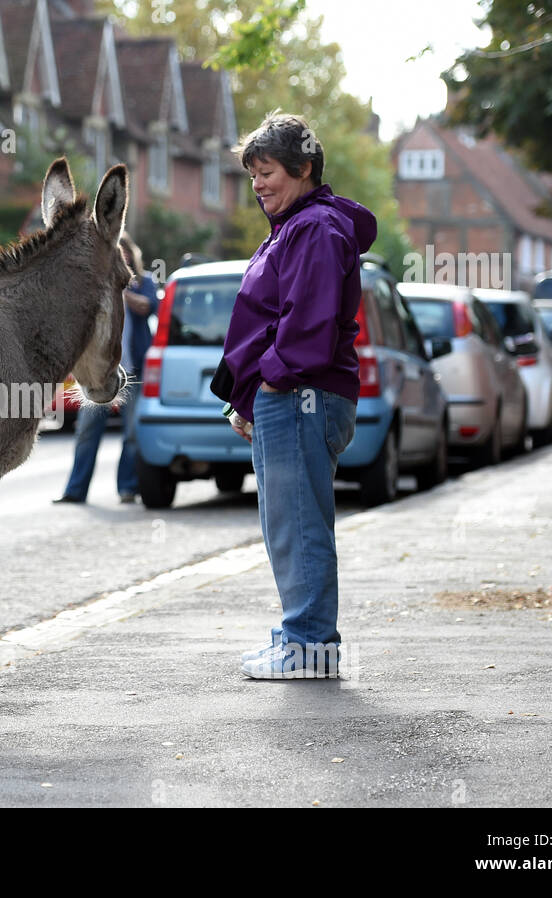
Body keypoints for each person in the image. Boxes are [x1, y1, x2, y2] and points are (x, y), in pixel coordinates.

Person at [220, 111, 376, 679]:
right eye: (253, 174)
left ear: (303, 168)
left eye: (268, 172)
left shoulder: (312, 229)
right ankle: (298, 637)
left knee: (299, 523)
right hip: (293, 395)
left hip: (301, 395)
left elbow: (305, 325)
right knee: (288, 521)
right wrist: (250, 396)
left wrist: (267, 384)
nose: (258, 184)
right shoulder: (301, 226)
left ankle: (309, 646)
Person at [55, 232, 159, 504]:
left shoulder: (144, 281)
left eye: (123, 254)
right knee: (87, 431)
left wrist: (121, 287)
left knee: (132, 434)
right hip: (98, 372)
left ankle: (127, 488)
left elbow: (149, 307)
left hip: (133, 372)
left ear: (130, 256)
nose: (119, 258)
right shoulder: (94, 283)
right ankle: (75, 491)